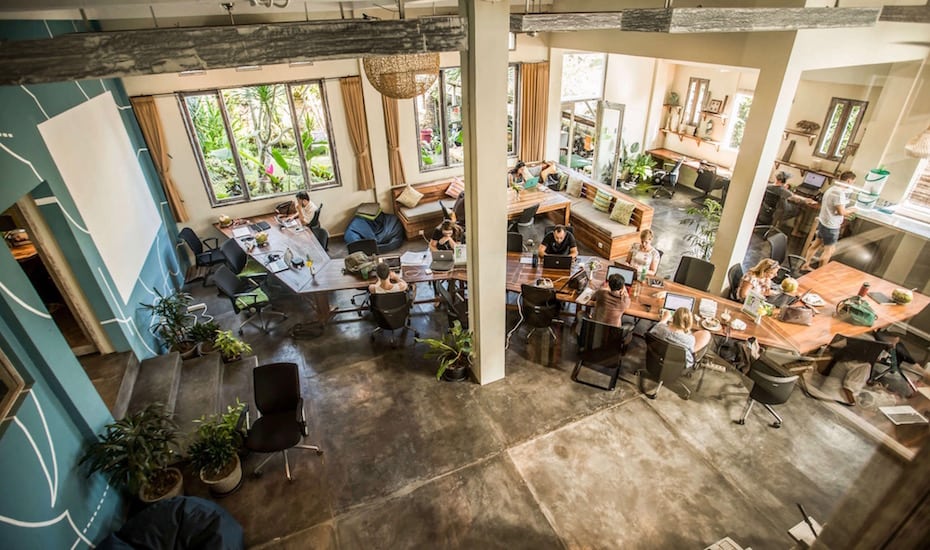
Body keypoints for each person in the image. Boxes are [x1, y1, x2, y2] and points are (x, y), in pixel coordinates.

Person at [802, 171, 857, 270]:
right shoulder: (839, 193)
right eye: (853, 182)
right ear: (849, 181)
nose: (852, 185)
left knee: (815, 244)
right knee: (829, 250)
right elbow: (841, 212)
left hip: (824, 222)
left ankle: (805, 264)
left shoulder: (831, 189)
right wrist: (853, 209)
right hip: (831, 226)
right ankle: (820, 272)